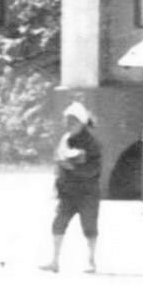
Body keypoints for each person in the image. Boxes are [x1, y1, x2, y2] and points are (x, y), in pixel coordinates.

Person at [41, 102, 102, 273]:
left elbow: (94, 170)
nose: (69, 125)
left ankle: (91, 261)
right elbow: (59, 160)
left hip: (88, 193)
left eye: (73, 121)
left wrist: (73, 167)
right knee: (58, 224)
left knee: (89, 227)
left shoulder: (92, 143)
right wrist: (57, 183)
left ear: (81, 123)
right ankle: (54, 261)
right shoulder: (65, 139)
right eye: (67, 121)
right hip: (68, 193)